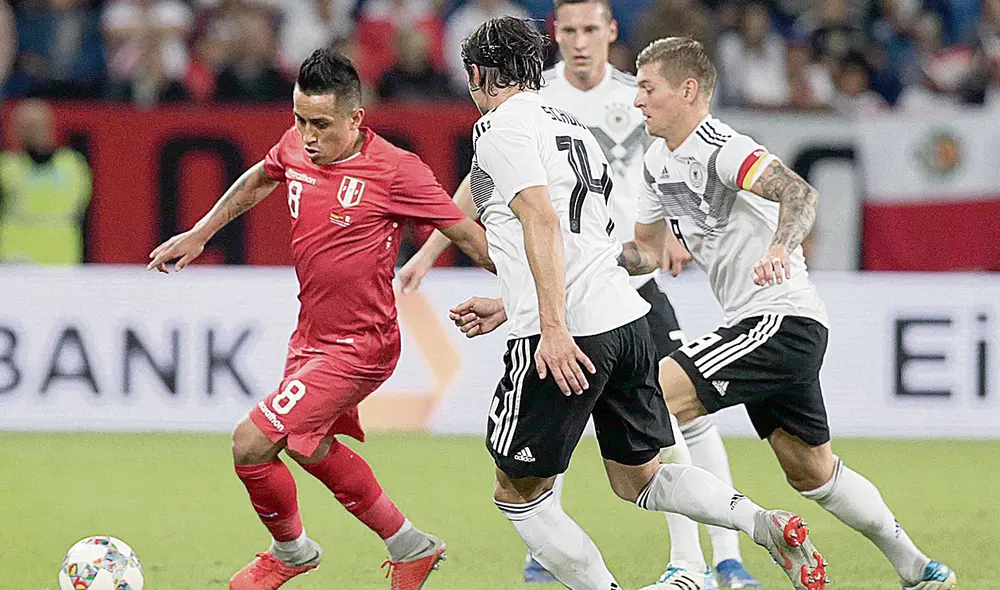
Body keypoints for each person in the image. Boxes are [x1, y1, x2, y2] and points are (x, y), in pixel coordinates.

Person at [450, 16, 828, 590]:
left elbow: (544, 220)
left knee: (516, 492)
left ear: (479, 74)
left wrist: (549, 325)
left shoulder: (499, 128)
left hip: (567, 331)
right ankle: (761, 521)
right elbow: (587, 238)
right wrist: (510, 299)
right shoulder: (573, 126)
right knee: (640, 478)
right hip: (627, 318)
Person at [397, 1, 758, 586]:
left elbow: (550, 211)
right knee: (635, 456)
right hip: (610, 297)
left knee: (537, 475)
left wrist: (672, 228)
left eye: (591, 29)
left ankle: (704, 561)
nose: (581, 41)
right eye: (569, 30)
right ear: (551, 43)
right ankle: (749, 530)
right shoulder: (557, 111)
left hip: (592, 295)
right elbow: (496, 188)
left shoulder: (625, 97)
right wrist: (440, 257)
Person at [147, 48, 494, 590]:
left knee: (251, 443)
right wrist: (201, 232)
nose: (307, 136)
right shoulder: (296, 146)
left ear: (356, 119)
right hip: (310, 337)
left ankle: (291, 552)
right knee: (309, 446)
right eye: (300, 121)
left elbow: (468, 235)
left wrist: (536, 292)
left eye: (321, 125)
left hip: (362, 345)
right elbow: (262, 176)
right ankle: (411, 545)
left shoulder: (397, 170)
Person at [620, 36, 958, 590]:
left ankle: (701, 561)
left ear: (687, 90)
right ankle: (918, 567)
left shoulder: (720, 145)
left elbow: (798, 194)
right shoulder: (658, 162)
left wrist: (782, 246)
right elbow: (648, 254)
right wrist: (593, 256)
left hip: (780, 321)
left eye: (647, 88)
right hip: (770, 329)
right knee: (813, 473)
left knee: (648, 400)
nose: (638, 101)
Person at [0, 100, 92, 264]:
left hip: (62, 254)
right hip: (14, 256)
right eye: (27, 125)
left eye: (37, 124)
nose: (33, 130)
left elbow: (85, 211)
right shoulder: (7, 165)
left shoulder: (72, 163)